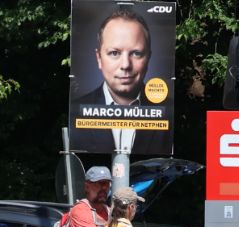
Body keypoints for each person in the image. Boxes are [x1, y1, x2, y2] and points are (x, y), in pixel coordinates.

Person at [69, 9, 171, 155]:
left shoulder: (168, 114)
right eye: (114, 53)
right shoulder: (76, 113)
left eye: (136, 53)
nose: (125, 65)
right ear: (99, 58)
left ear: (148, 58)